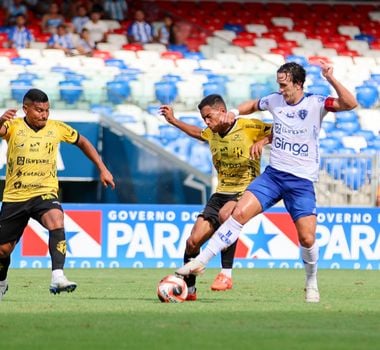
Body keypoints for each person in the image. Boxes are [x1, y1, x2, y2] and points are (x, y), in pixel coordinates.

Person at [175, 61, 358, 303]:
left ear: (298, 84)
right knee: (237, 214)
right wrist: (235, 113)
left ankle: (311, 282)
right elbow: (252, 104)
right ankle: (200, 262)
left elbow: (350, 103)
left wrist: (330, 78)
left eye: (284, 85)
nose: (280, 89)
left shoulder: (315, 103)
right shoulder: (274, 100)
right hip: (273, 175)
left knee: (307, 239)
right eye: (278, 84)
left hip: (301, 181)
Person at [0, 88, 115, 300]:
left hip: (44, 192)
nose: (44, 115)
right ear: (25, 109)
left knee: (56, 219)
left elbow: (82, 141)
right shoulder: (12, 126)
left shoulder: (56, 128)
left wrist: (102, 168)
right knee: (3, 251)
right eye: (38, 110)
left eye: (46, 110)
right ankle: (2, 280)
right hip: (15, 197)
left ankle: (58, 276)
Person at [160, 94, 271, 300]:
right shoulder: (211, 133)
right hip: (221, 192)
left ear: (222, 111)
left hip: (245, 191)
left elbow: (279, 131)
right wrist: (174, 121)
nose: (207, 122)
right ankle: (190, 290)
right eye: (204, 119)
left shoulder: (248, 126)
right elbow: (197, 132)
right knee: (192, 242)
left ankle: (226, 274)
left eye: (209, 117)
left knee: (226, 215)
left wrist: (263, 141)